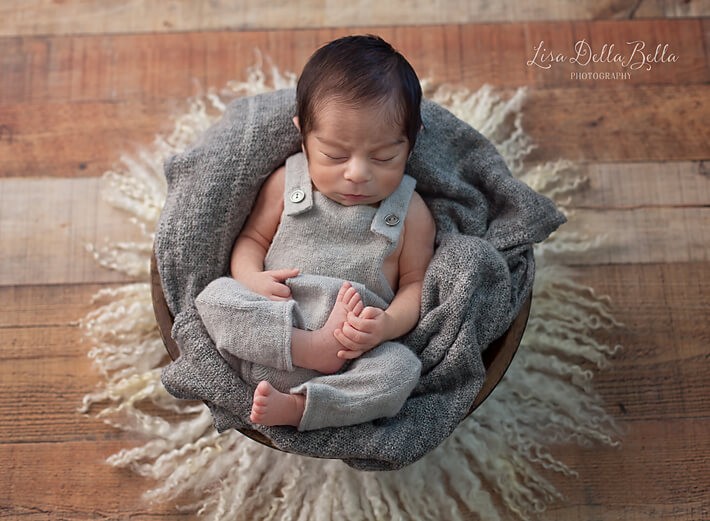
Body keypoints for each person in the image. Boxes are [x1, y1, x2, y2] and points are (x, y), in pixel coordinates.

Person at [195, 34, 436, 431]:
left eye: (384, 157)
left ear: (412, 143)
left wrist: (388, 325)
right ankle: (309, 348)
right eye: (334, 155)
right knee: (214, 297)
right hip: (273, 326)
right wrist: (250, 278)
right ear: (303, 138)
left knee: (401, 370)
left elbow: (415, 284)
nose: (357, 173)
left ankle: (298, 407)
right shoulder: (285, 182)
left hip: (348, 357)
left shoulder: (411, 212)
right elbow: (251, 241)